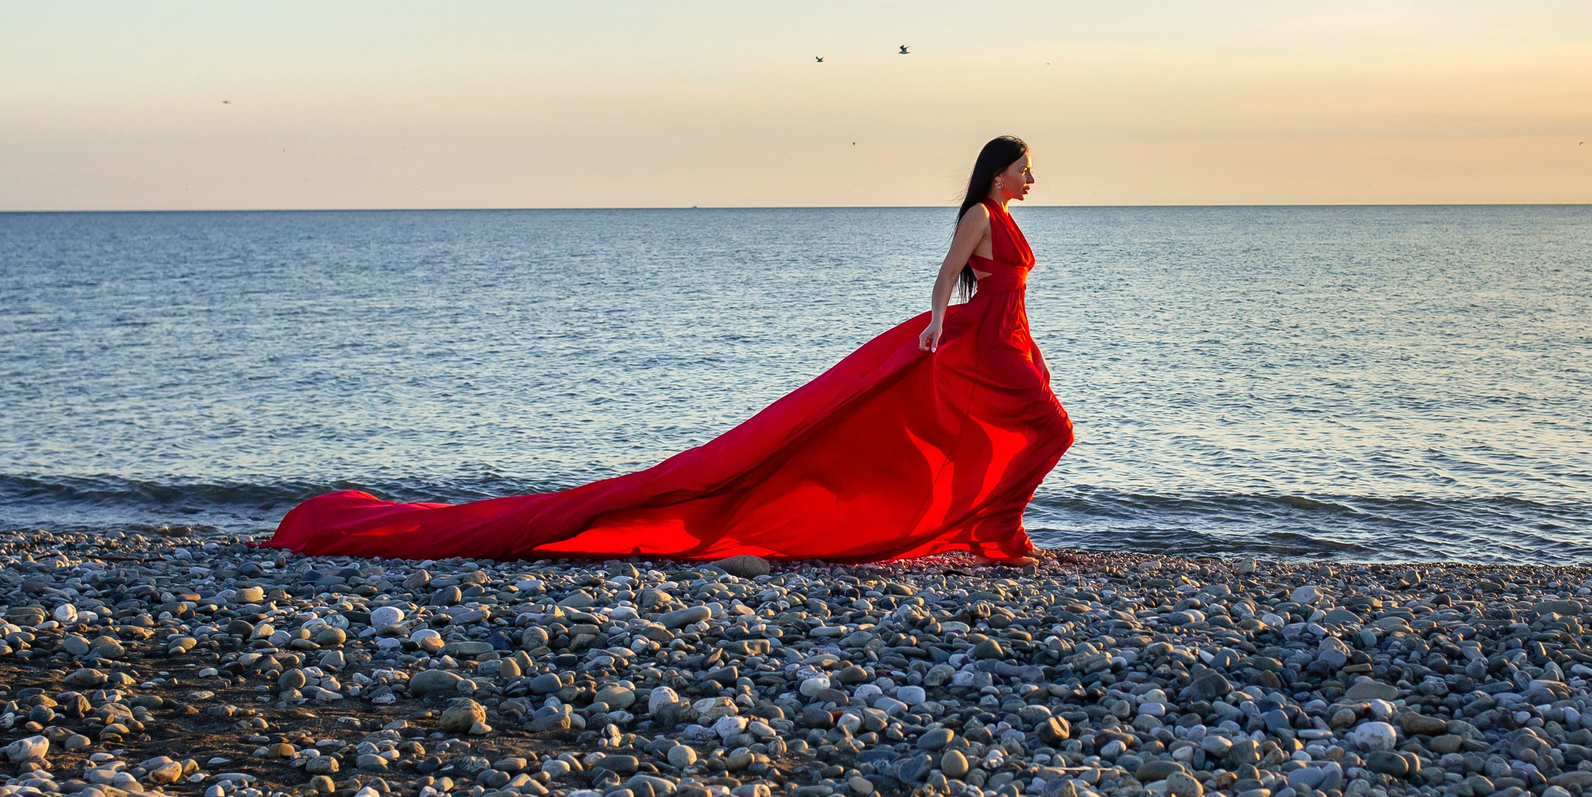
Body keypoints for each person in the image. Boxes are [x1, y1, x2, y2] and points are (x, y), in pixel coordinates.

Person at [264, 136, 1075, 563]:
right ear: (1001, 168)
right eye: (1027, 168)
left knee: (1031, 433)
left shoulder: (1007, 217)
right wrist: (936, 321)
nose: (1032, 179)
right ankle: (994, 529)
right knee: (1051, 432)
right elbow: (944, 271)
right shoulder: (981, 213)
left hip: (1007, 341)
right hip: (984, 345)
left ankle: (991, 527)